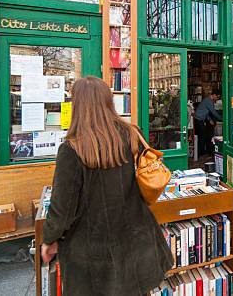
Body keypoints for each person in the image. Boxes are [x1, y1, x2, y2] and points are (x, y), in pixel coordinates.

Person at [41, 76, 172, 296]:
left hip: (93, 255)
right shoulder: (132, 134)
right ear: (108, 102)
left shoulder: (72, 149)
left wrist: (49, 239)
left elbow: (62, 208)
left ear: (78, 106)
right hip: (135, 242)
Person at [193, 89, 222, 158]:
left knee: (203, 135)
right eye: (217, 97)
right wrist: (222, 119)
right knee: (202, 136)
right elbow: (213, 112)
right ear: (214, 95)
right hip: (199, 120)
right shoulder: (209, 101)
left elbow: (206, 111)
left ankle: (201, 152)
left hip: (199, 119)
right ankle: (200, 153)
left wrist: (209, 120)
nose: (217, 99)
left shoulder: (207, 100)